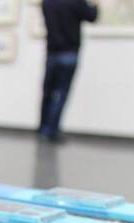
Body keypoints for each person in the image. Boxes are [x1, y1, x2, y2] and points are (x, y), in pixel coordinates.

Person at [39, 0, 98, 143]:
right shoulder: (75, 1)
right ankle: (52, 130)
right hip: (68, 53)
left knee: (48, 92)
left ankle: (44, 128)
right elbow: (92, 16)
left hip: (52, 52)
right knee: (61, 93)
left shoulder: (47, 2)